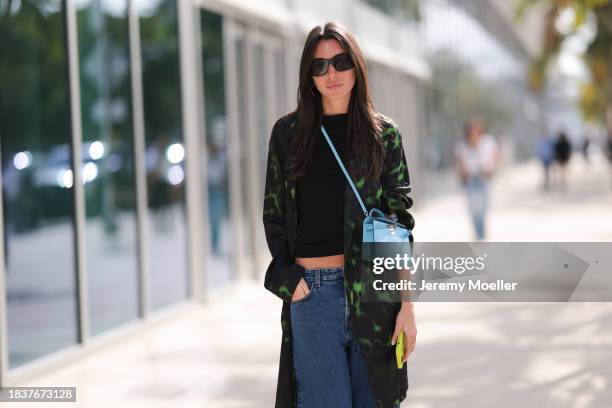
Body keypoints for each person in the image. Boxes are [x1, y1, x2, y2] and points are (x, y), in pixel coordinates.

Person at [262, 22, 416, 408]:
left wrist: (407, 306)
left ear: (356, 66)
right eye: (319, 66)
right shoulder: (289, 134)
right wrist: (289, 279)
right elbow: (274, 213)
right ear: (308, 77)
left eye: (340, 62)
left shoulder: (385, 135)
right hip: (312, 294)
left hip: (374, 293)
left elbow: (399, 225)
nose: (331, 73)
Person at [455, 117, 500, 241]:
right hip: (471, 179)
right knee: (473, 208)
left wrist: (493, 169)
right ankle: (478, 233)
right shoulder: (462, 146)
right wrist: (462, 176)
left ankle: (482, 233)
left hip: (484, 177)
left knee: (483, 207)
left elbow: (496, 155)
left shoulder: (488, 141)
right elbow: (460, 163)